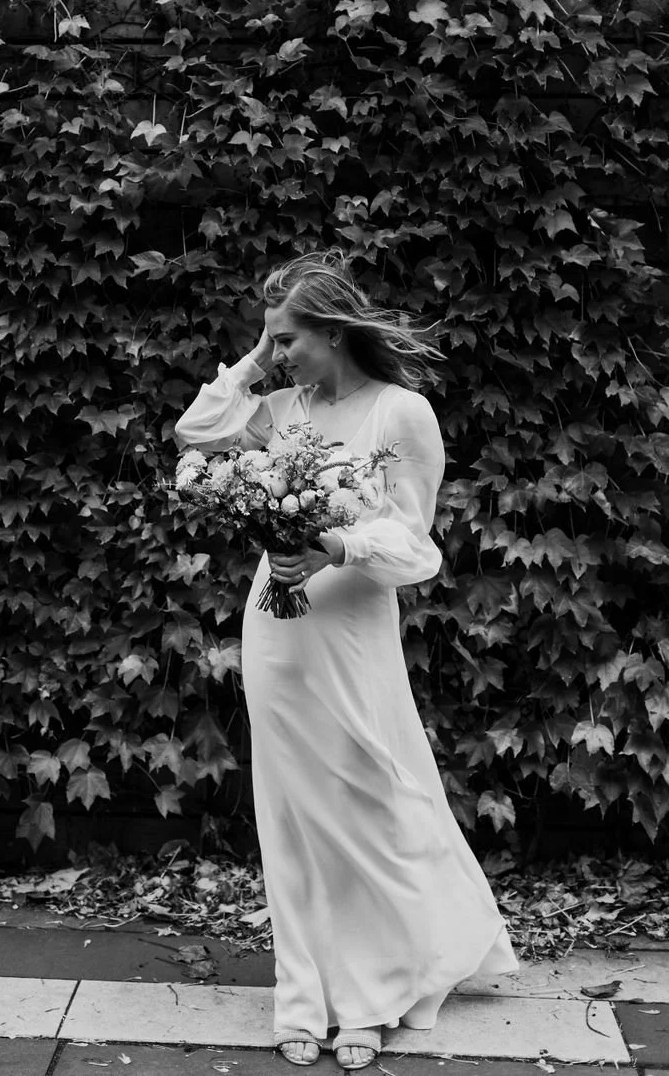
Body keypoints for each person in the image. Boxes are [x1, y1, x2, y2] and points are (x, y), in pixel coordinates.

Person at [175, 250, 517, 1070]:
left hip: (351, 624)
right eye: (273, 342)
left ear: (332, 331)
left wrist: (334, 543)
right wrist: (255, 360)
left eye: (288, 338)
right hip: (275, 625)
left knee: (366, 800)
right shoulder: (280, 405)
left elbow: (415, 543)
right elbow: (198, 433)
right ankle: (303, 994)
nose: (279, 354)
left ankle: (371, 996)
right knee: (290, 814)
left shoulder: (402, 414)